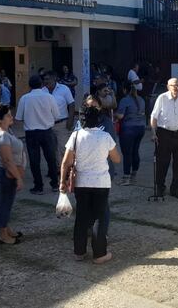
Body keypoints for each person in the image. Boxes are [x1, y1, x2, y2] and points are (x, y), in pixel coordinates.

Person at [60, 106, 121, 264]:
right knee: (99, 217)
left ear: (81, 120)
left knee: (81, 216)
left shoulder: (76, 136)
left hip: (82, 182)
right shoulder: (105, 136)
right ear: (98, 119)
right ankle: (100, 254)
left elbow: (66, 162)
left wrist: (62, 182)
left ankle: (79, 252)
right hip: (101, 182)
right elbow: (116, 159)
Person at [150, 78, 178, 198]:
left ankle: (175, 189)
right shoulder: (162, 98)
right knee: (162, 163)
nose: (176, 88)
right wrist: (153, 132)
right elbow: (154, 117)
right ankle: (160, 187)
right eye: (174, 85)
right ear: (168, 86)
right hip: (164, 134)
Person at [16, 75, 61, 195]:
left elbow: (19, 117)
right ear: (42, 85)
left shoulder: (25, 98)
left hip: (31, 133)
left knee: (34, 160)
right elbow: (57, 115)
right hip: (47, 131)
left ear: (29, 85)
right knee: (51, 158)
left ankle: (39, 186)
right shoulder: (49, 97)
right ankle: (55, 183)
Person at [0, 104, 25, 245]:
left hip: (8, 172)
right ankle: (3, 236)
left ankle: (6, 228)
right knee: (5, 203)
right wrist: (18, 178)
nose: (11, 117)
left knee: (7, 202)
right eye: (8, 115)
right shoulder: (2, 136)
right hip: (7, 173)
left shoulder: (6, 130)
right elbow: (8, 161)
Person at [115, 81, 146, 186]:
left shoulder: (125, 100)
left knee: (127, 153)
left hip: (128, 129)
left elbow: (120, 116)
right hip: (140, 128)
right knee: (135, 151)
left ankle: (126, 177)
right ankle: (133, 176)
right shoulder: (141, 100)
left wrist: (114, 114)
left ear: (124, 89)